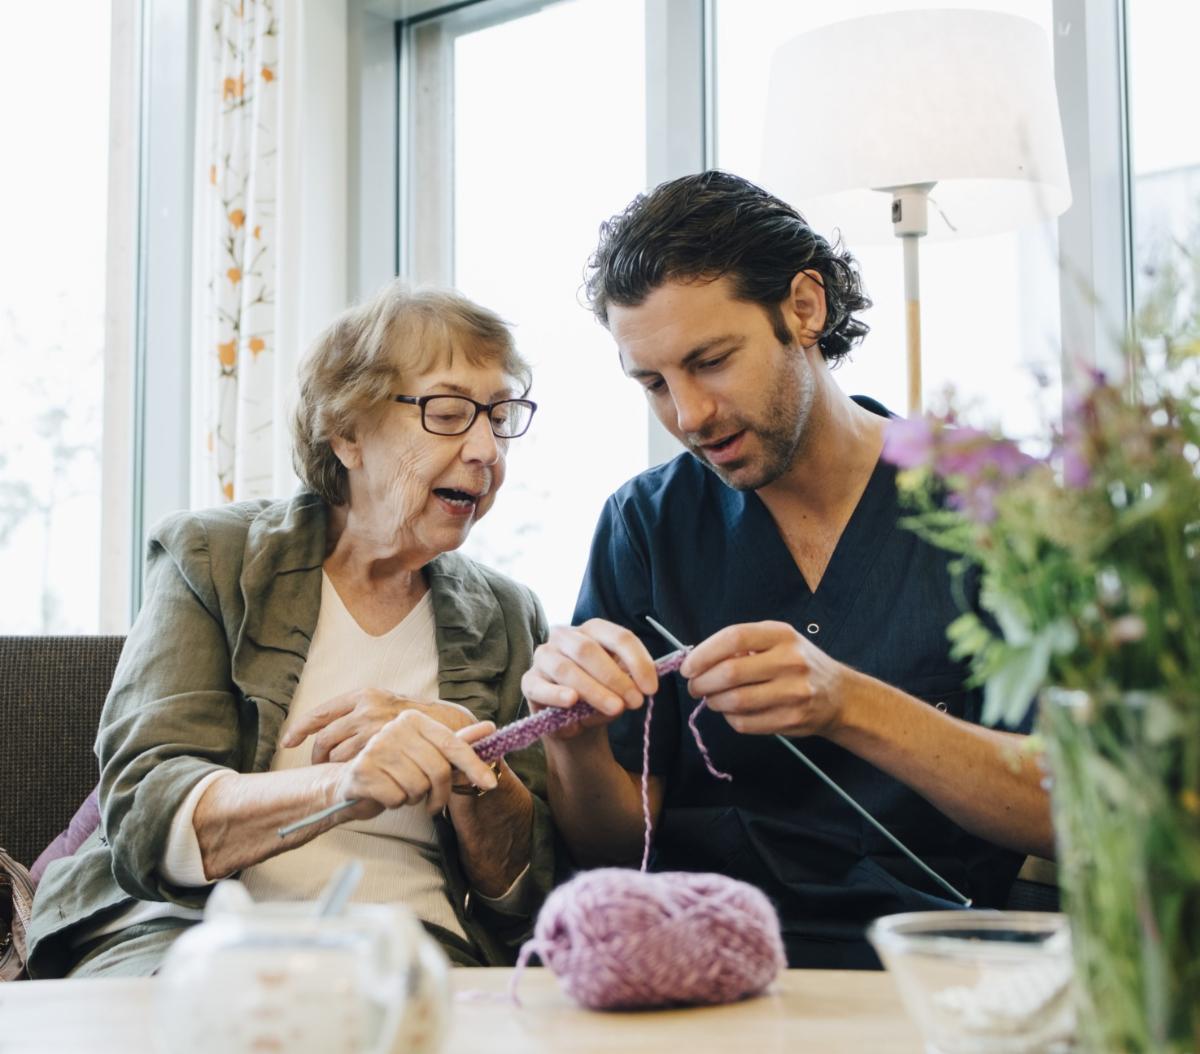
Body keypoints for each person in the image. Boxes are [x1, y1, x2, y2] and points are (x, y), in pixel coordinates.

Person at [522, 171, 1053, 968]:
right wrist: (573, 740)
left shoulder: (1001, 505)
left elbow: (1081, 809)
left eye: (711, 360)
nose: (689, 414)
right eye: (653, 384)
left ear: (804, 308)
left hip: (928, 971)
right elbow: (611, 850)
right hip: (694, 969)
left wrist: (845, 704)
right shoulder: (646, 525)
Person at [28, 283, 555, 977]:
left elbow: (524, 896)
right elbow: (144, 811)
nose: (488, 449)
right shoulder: (211, 558)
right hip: (189, 936)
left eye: (500, 416)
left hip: (415, 954)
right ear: (347, 432)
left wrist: (475, 772)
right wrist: (344, 787)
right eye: (450, 413)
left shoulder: (511, 614)